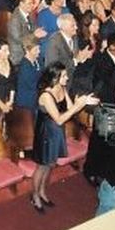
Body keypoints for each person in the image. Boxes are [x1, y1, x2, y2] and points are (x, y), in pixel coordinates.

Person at [31, 63, 97, 212]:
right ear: (55, 77)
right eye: (64, 76)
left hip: (56, 131)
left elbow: (71, 109)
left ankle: (42, 191)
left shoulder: (62, 88)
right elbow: (59, 119)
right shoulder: (46, 95)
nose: (67, 78)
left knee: (50, 164)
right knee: (42, 166)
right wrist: (77, 106)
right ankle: (35, 195)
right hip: (45, 133)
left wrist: (83, 102)